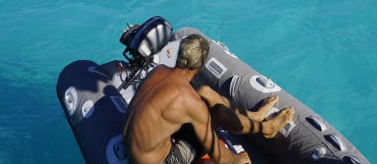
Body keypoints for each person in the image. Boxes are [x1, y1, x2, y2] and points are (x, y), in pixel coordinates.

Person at [123, 34, 295, 164]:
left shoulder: (159, 70)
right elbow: (219, 155)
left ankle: (255, 117)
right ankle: (267, 127)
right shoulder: (188, 101)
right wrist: (238, 159)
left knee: (205, 92)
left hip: (140, 147)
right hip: (161, 161)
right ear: (198, 67)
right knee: (218, 113)